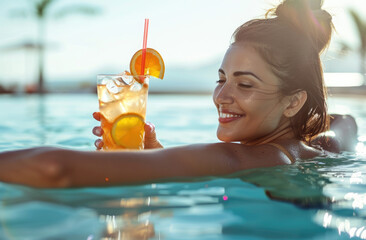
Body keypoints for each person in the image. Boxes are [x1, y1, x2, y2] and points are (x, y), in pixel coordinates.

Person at [0, 0, 358, 188]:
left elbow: (54, 169)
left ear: (293, 100)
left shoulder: (246, 159)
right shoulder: (324, 145)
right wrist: (154, 157)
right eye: (221, 79)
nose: (221, 96)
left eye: (245, 84)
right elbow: (346, 122)